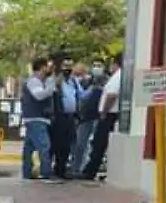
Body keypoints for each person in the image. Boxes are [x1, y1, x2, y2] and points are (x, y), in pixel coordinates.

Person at [82, 52, 123, 181]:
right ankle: (90, 170)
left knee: (99, 144)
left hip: (109, 115)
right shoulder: (118, 76)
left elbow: (111, 95)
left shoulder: (118, 76)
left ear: (115, 63)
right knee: (98, 143)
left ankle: (90, 172)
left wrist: (104, 111)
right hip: (109, 114)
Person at [21, 57, 56, 180]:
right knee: (44, 145)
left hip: (36, 118)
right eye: (47, 67)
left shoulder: (40, 81)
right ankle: (46, 173)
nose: (49, 70)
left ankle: (27, 172)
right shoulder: (34, 81)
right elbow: (39, 95)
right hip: (36, 118)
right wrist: (50, 87)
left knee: (29, 148)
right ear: (42, 68)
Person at [50, 56, 81, 179]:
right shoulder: (57, 82)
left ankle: (62, 169)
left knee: (67, 145)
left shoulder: (74, 81)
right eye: (65, 66)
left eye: (70, 66)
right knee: (58, 144)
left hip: (71, 117)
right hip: (59, 117)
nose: (68, 69)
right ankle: (56, 169)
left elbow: (81, 95)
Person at [71, 62, 99, 178]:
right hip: (83, 117)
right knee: (80, 144)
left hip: (92, 116)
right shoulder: (78, 82)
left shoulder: (102, 80)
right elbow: (82, 97)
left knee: (85, 144)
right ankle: (76, 168)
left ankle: (79, 168)